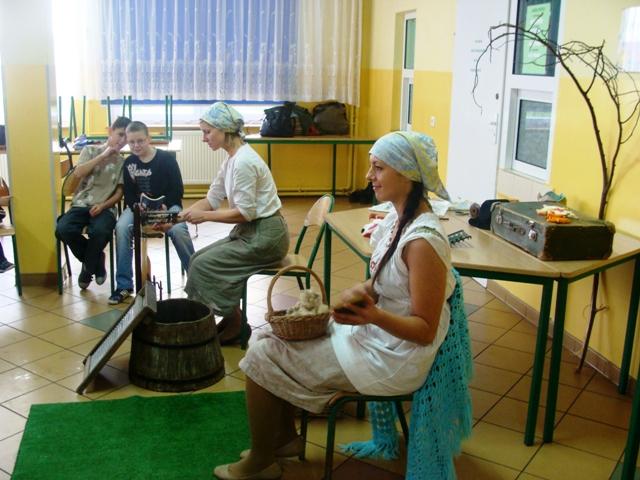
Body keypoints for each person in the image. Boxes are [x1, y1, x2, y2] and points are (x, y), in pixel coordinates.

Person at [212, 131, 455, 480]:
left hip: (392, 358)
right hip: (378, 339)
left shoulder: (423, 243)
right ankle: (283, 440)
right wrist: (359, 292)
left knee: (262, 354)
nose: (369, 176)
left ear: (408, 174)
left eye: (379, 168)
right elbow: (385, 280)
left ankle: (262, 460)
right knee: (268, 339)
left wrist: (372, 315)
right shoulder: (397, 220)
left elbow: (425, 330)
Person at [181, 102, 289, 345]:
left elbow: (244, 214)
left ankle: (233, 322)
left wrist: (205, 217)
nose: (204, 138)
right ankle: (233, 320)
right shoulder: (232, 159)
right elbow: (212, 199)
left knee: (204, 265)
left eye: (207, 132)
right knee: (196, 259)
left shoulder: (243, 162)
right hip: (253, 231)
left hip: (267, 237)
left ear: (224, 129)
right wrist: (179, 216)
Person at [108, 121, 195, 304]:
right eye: (131, 142)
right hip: (139, 209)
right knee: (121, 227)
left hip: (167, 207)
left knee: (179, 230)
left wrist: (166, 206)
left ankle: (197, 282)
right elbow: (129, 194)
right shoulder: (129, 163)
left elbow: (177, 190)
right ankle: (124, 285)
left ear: (149, 139)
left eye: (140, 141)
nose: (136, 146)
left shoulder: (167, 159)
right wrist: (136, 206)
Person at [55, 116, 131, 289]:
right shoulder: (89, 150)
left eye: (126, 137)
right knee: (62, 229)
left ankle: (87, 269)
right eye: (120, 134)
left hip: (105, 208)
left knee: (101, 231)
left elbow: (119, 193)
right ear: (110, 131)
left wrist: (103, 206)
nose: (122, 141)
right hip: (81, 204)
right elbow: (79, 172)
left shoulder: (122, 162)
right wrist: (103, 155)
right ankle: (96, 261)